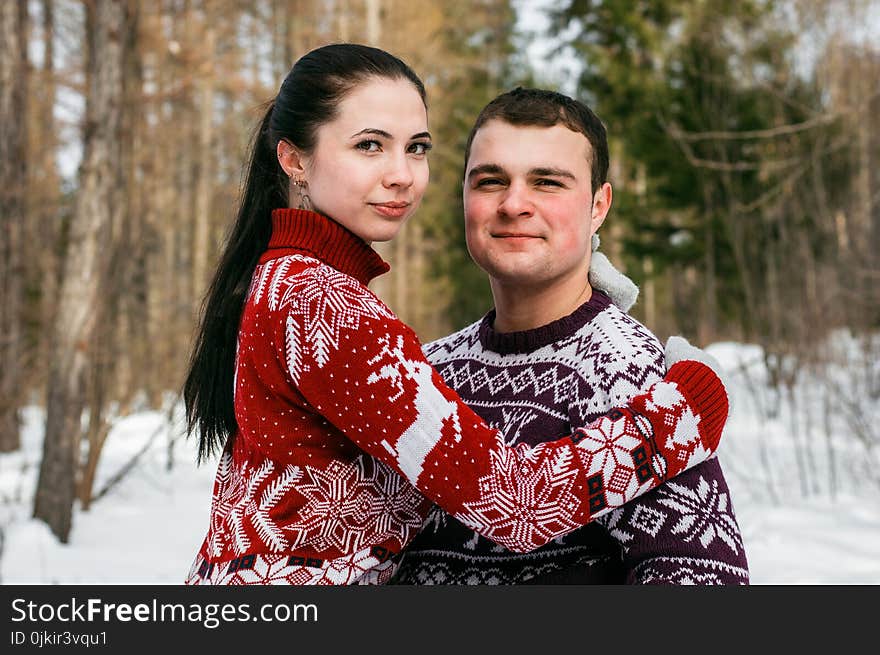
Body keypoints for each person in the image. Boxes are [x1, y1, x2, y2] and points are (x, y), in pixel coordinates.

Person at [183, 44, 732, 586]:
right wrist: (686, 411)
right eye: (370, 145)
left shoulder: (285, 285)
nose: (401, 174)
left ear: (598, 206)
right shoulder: (325, 306)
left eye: (416, 148)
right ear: (295, 159)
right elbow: (517, 506)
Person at [390, 87, 749, 585]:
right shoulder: (427, 369)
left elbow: (702, 580)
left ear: (599, 205)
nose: (514, 204)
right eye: (491, 180)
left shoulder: (629, 372)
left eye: (548, 182)